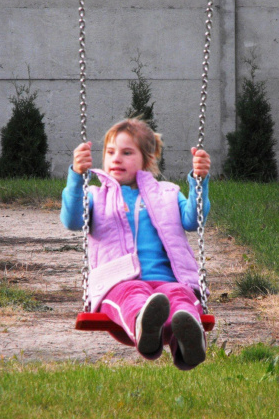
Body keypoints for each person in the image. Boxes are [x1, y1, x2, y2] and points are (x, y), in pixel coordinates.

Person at [60, 118, 211, 370]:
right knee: (133, 296)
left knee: (181, 298)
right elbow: (73, 220)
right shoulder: (96, 196)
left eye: (127, 152)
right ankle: (145, 327)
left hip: (169, 280)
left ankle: (188, 345)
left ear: (147, 160)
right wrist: (77, 177)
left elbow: (194, 220)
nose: (116, 158)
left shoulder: (169, 193)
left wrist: (198, 180)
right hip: (118, 283)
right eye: (110, 152)